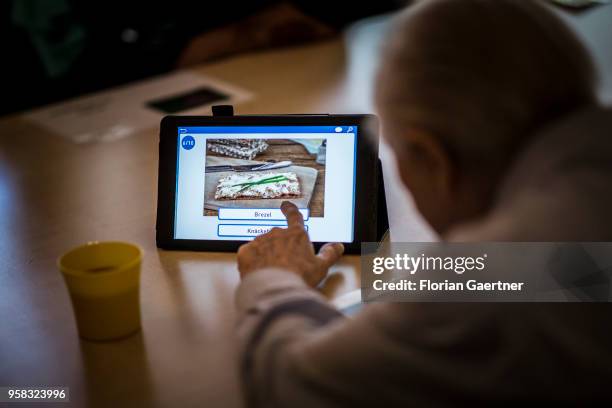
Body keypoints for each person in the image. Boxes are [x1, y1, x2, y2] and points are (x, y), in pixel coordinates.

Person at [234, 0, 612, 406]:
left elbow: (289, 385)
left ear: (431, 158)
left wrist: (272, 279)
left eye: (401, 157)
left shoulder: (488, 280)